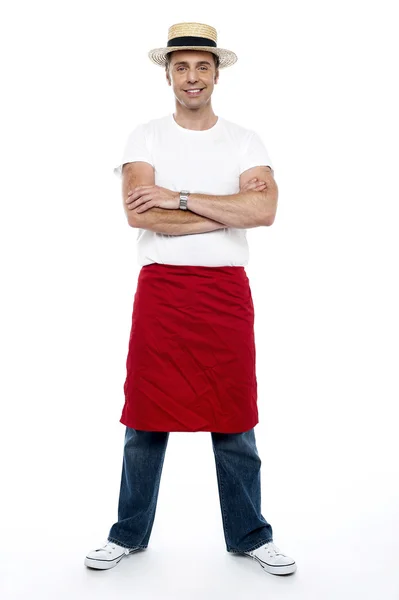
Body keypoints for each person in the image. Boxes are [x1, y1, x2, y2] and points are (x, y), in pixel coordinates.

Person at [85, 22, 297, 576]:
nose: (192, 76)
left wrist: (178, 198)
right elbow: (138, 213)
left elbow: (264, 212)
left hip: (225, 295)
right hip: (162, 293)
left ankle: (250, 534)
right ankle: (127, 533)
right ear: (168, 74)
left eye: (202, 66)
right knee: (145, 420)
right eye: (182, 66)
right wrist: (225, 207)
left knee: (235, 420)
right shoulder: (146, 136)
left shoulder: (245, 140)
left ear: (217, 73)